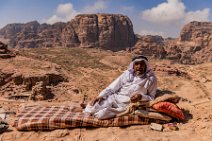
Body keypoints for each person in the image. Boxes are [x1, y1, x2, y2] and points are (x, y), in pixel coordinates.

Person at [83, 55, 157, 119]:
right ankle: (88, 107)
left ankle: (105, 110)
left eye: (142, 64)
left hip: (127, 105)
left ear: (146, 66)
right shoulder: (127, 74)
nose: (139, 67)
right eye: (136, 64)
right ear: (133, 65)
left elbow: (151, 97)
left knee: (101, 115)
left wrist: (141, 97)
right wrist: (100, 96)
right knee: (91, 109)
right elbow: (112, 88)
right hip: (115, 98)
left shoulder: (151, 79)